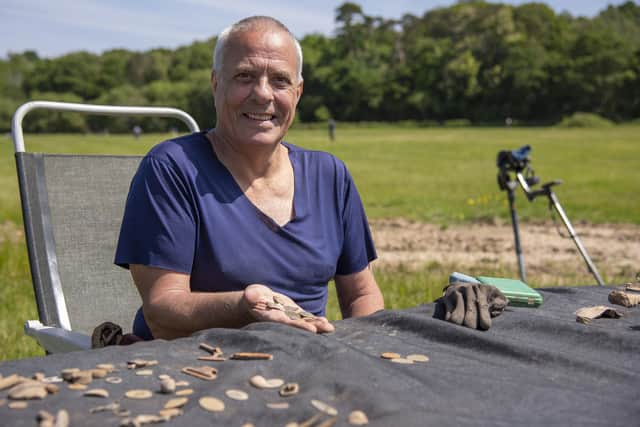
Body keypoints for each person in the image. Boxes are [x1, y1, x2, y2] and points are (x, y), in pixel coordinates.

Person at [114, 16, 384, 341]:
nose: (262, 94)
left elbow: (361, 295)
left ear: (297, 93)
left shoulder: (330, 175)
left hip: (308, 365)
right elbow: (162, 313)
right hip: (194, 367)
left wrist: (362, 355)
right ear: (216, 84)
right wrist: (246, 309)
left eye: (280, 81)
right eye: (244, 76)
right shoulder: (172, 168)